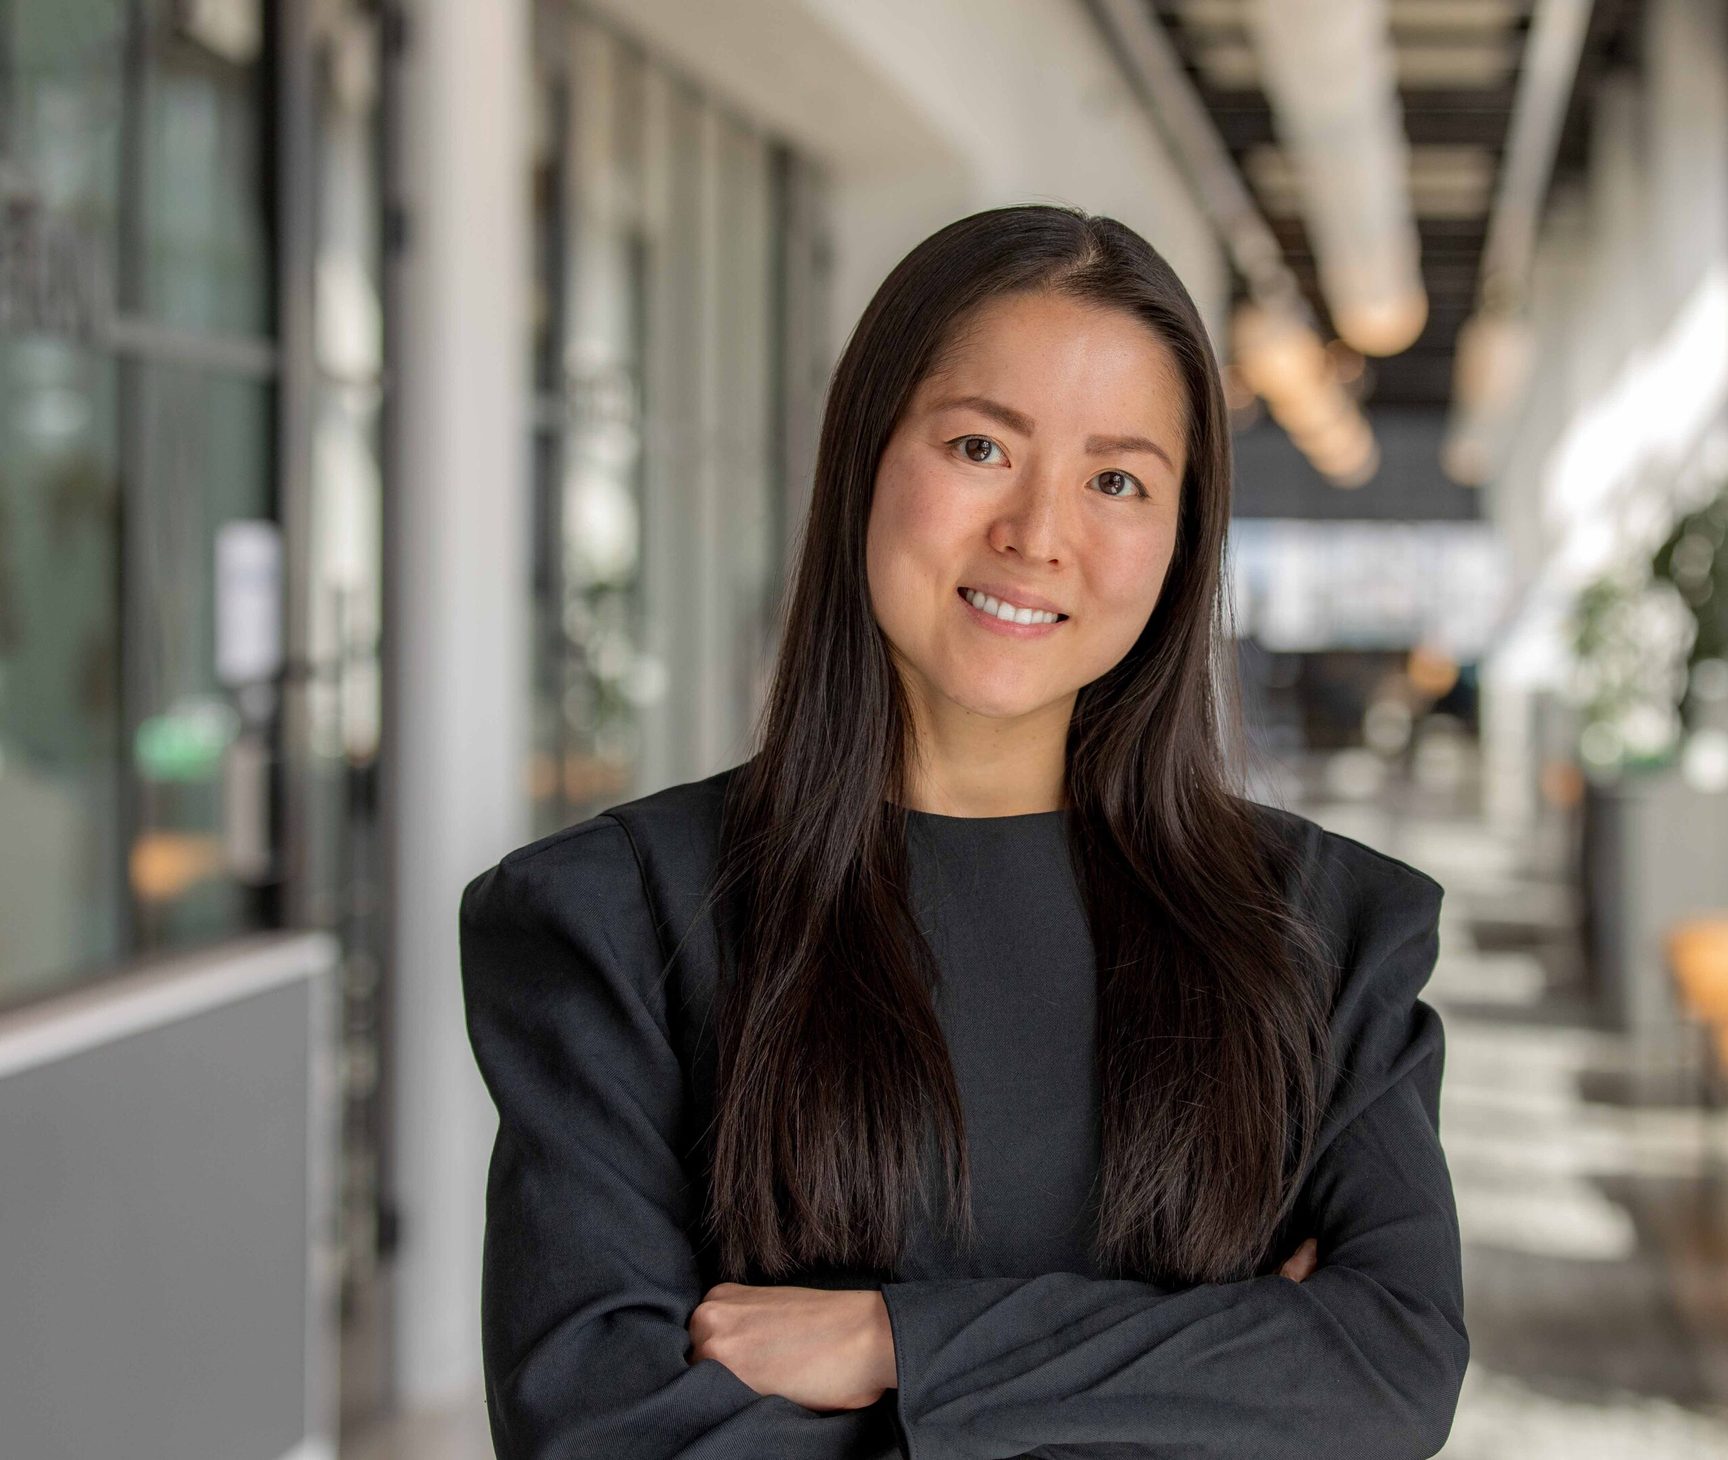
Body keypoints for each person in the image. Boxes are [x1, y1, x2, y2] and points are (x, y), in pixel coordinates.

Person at [458, 203, 1469, 1458]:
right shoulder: (616, 921)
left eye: (1116, 480)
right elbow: (604, 1433)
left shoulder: (1322, 929)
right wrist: (1217, 1364)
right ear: (864, 457)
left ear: (1181, 540)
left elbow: (1389, 1367)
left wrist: (897, 1343)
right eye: (981, 446)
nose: (1037, 534)